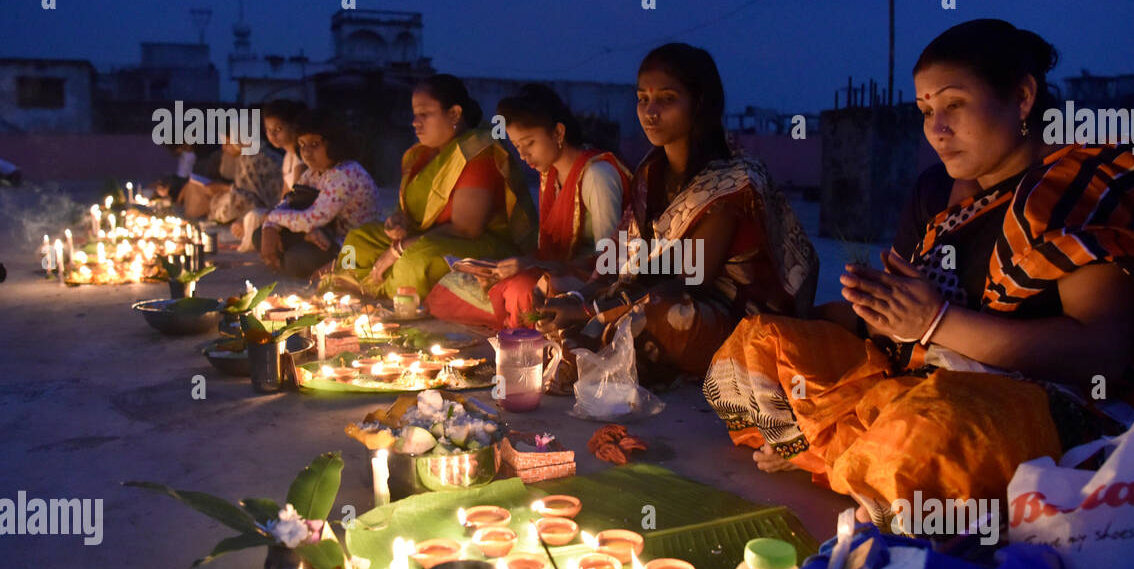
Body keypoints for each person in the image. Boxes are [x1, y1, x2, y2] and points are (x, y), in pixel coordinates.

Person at [703, 19, 1134, 517]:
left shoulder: (1076, 192)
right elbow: (896, 338)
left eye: (954, 105)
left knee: (931, 435)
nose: (936, 129)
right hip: (918, 380)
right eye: (926, 110)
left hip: (1034, 401)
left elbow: (1099, 356)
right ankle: (850, 462)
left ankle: (839, 455)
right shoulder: (934, 190)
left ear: (1023, 97)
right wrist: (864, 313)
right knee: (755, 347)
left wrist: (938, 322)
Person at [534, 43, 818, 386]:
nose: (650, 112)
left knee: (660, 316)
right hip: (653, 288)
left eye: (666, 99)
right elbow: (624, 255)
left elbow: (688, 276)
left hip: (726, 317)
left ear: (699, 103)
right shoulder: (651, 173)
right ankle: (596, 347)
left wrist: (588, 310)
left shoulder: (732, 182)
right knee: (555, 287)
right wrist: (580, 295)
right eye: (642, 99)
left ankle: (594, 349)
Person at [425, 83, 632, 327]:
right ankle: (515, 311)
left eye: (529, 143)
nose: (523, 155)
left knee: (524, 292)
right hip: (556, 271)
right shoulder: (550, 175)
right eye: (517, 147)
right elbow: (548, 251)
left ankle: (523, 314)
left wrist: (534, 266)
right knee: (451, 284)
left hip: (593, 282)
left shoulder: (597, 175)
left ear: (558, 133)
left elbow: (611, 263)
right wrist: (502, 270)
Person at [324, 74, 538, 300]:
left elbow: (466, 229)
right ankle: (352, 281)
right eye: (415, 115)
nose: (416, 122)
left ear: (454, 113)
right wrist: (398, 222)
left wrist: (397, 249)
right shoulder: (419, 155)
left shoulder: (478, 152)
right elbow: (412, 212)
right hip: (424, 236)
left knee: (415, 263)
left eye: (425, 114)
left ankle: (375, 289)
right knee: (358, 239)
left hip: (477, 243)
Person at [259, 109, 380, 279]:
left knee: (297, 259)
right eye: (302, 145)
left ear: (334, 143)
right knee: (261, 235)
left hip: (351, 249)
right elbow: (288, 202)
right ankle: (287, 259)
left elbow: (312, 218)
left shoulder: (345, 173)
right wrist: (269, 227)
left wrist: (272, 218)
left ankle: (302, 265)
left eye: (314, 144)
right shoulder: (314, 172)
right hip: (325, 236)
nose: (307, 152)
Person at [233, 99, 308, 250]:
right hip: (286, 214)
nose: (272, 135)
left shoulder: (301, 158)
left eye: (278, 129)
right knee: (253, 220)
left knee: (255, 222)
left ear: (293, 127)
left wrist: (271, 218)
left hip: (300, 218)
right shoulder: (288, 158)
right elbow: (283, 199)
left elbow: (297, 201)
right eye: (268, 130)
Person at [174, 131, 283, 224]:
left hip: (270, 209)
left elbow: (253, 199)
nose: (224, 148)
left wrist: (223, 188)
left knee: (217, 203)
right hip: (263, 204)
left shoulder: (252, 158)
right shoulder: (252, 152)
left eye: (227, 144)